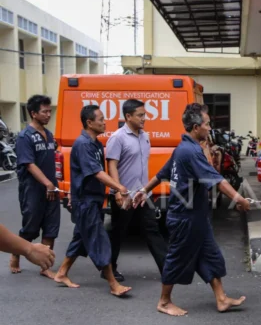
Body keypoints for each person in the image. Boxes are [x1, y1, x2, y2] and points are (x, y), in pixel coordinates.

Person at [132, 103, 249, 316]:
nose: (209, 128)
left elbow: (162, 173)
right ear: (196, 127)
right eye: (207, 124)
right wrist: (239, 198)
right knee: (177, 258)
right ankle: (164, 301)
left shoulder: (183, 148)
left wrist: (143, 190)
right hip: (184, 218)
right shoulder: (190, 151)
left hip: (197, 216)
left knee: (211, 255)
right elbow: (216, 180)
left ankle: (221, 298)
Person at [53, 105, 132, 297]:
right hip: (86, 201)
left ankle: (62, 273)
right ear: (89, 122)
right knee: (99, 239)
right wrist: (118, 187)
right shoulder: (83, 144)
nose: (105, 122)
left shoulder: (95, 143)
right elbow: (96, 173)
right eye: (101, 119)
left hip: (92, 200)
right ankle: (113, 284)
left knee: (81, 238)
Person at [105, 99, 166, 282]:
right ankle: (109, 269)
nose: (144, 118)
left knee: (152, 230)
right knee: (118, 233)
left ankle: (167, 269)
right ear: (128, 116)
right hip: (124, 195)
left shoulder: (144, 136)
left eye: (144, 114)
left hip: (141, 194)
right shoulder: (117, 137)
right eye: (140, 115)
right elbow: (112, 165)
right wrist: (117, 191)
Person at [9, 95, 60, 278]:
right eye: (44, 111)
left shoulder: (49, 134)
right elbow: (29, 164)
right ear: (33, 113)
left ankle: (45, 267)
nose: (48, 115)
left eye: (49, 111)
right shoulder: (25, 136)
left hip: (51, 187)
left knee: (51, 226)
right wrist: (46, 183)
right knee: (31, 226)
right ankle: (16, 253)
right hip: (33, 188)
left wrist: (53, 183)